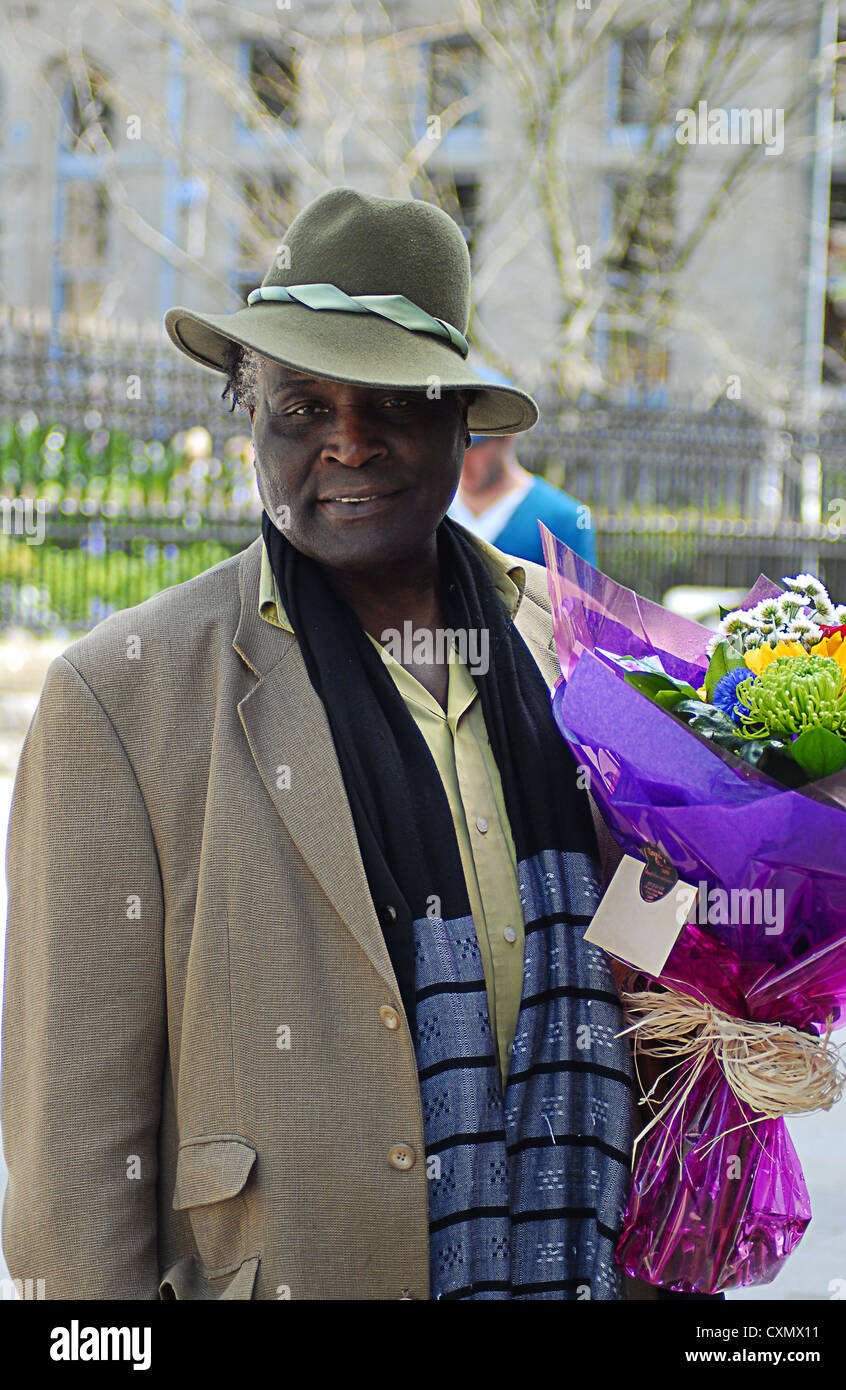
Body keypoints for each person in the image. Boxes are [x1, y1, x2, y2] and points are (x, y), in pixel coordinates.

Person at [1, 186, 638, 1301]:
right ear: (254, 422)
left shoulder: (579, 646)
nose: (349, 440)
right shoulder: (124, 700)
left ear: (461, 423)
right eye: (303, 407)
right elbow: (72, 1165)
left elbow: (656, 946)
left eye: (392, 400)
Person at [448, 365, 597, 568]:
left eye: (473, 445)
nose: (462, 457)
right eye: (451, 444)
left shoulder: (562, 520)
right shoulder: (429, 510)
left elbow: (578, 599)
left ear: (508, 436)